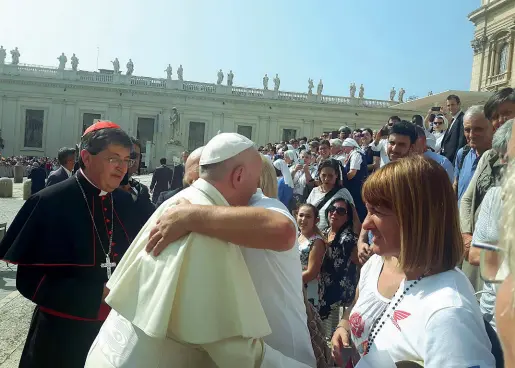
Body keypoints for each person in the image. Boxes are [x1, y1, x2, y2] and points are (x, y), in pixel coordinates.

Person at [85, 133, 314, 367]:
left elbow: (282, 229)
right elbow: (235, 350)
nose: (257, 190)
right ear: (239, 175)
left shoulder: (182, 207)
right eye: (255, 181)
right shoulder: (202, 225)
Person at [0, 121, 146, 368]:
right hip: (62, 335)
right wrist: (94, 295)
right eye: (113, 158)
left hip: (115, 332)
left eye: (127, 159)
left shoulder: (127, 202)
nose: (122, 167)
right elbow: (29, 282)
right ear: (86, 157)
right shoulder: (49, 202)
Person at [330, 156, 495, 368]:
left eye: (377, 212)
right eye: (367, 210)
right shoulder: (376, 264)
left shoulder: (448, 314)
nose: (367, 224)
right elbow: (356, 306)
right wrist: (344, 326)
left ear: (416, 218)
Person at [297, 203, 326, 306]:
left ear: (316, 220)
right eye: (301, 215)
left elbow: (311, 273)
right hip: (295, 288)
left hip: (308, 292)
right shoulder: (296, 237)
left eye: (308, 216)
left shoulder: (316, 242)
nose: (303, 219)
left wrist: (290, 279)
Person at [119, 138, 154, 215]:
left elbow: (152, 216)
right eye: (128, 155)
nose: (131, 159)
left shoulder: (142, 190)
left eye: (135, 155)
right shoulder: (104, 187)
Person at [440, 94, 466, 163]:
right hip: (446, 159)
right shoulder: (454, 119)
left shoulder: (462, 119)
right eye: (448, 105)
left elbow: (461, 143)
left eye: (453, 104)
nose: (450, 107)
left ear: (459, 104)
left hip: (452, 161)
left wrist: (455, 163)